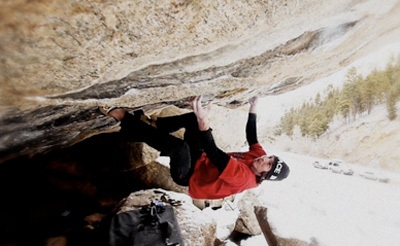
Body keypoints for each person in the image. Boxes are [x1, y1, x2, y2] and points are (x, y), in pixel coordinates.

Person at [100, 95, 289, 200]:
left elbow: (214, 152)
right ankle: (152, 125)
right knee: (192, 120)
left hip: (189, 177)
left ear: (264, 175)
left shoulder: (244, 178)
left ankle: (124, 118)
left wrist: (204, 120)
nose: (264, 159)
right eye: (269, 158)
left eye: (267, 165)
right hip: (201, 159)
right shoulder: (258, 159)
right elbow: (252, 137)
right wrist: (253, 109)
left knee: (180, 147)